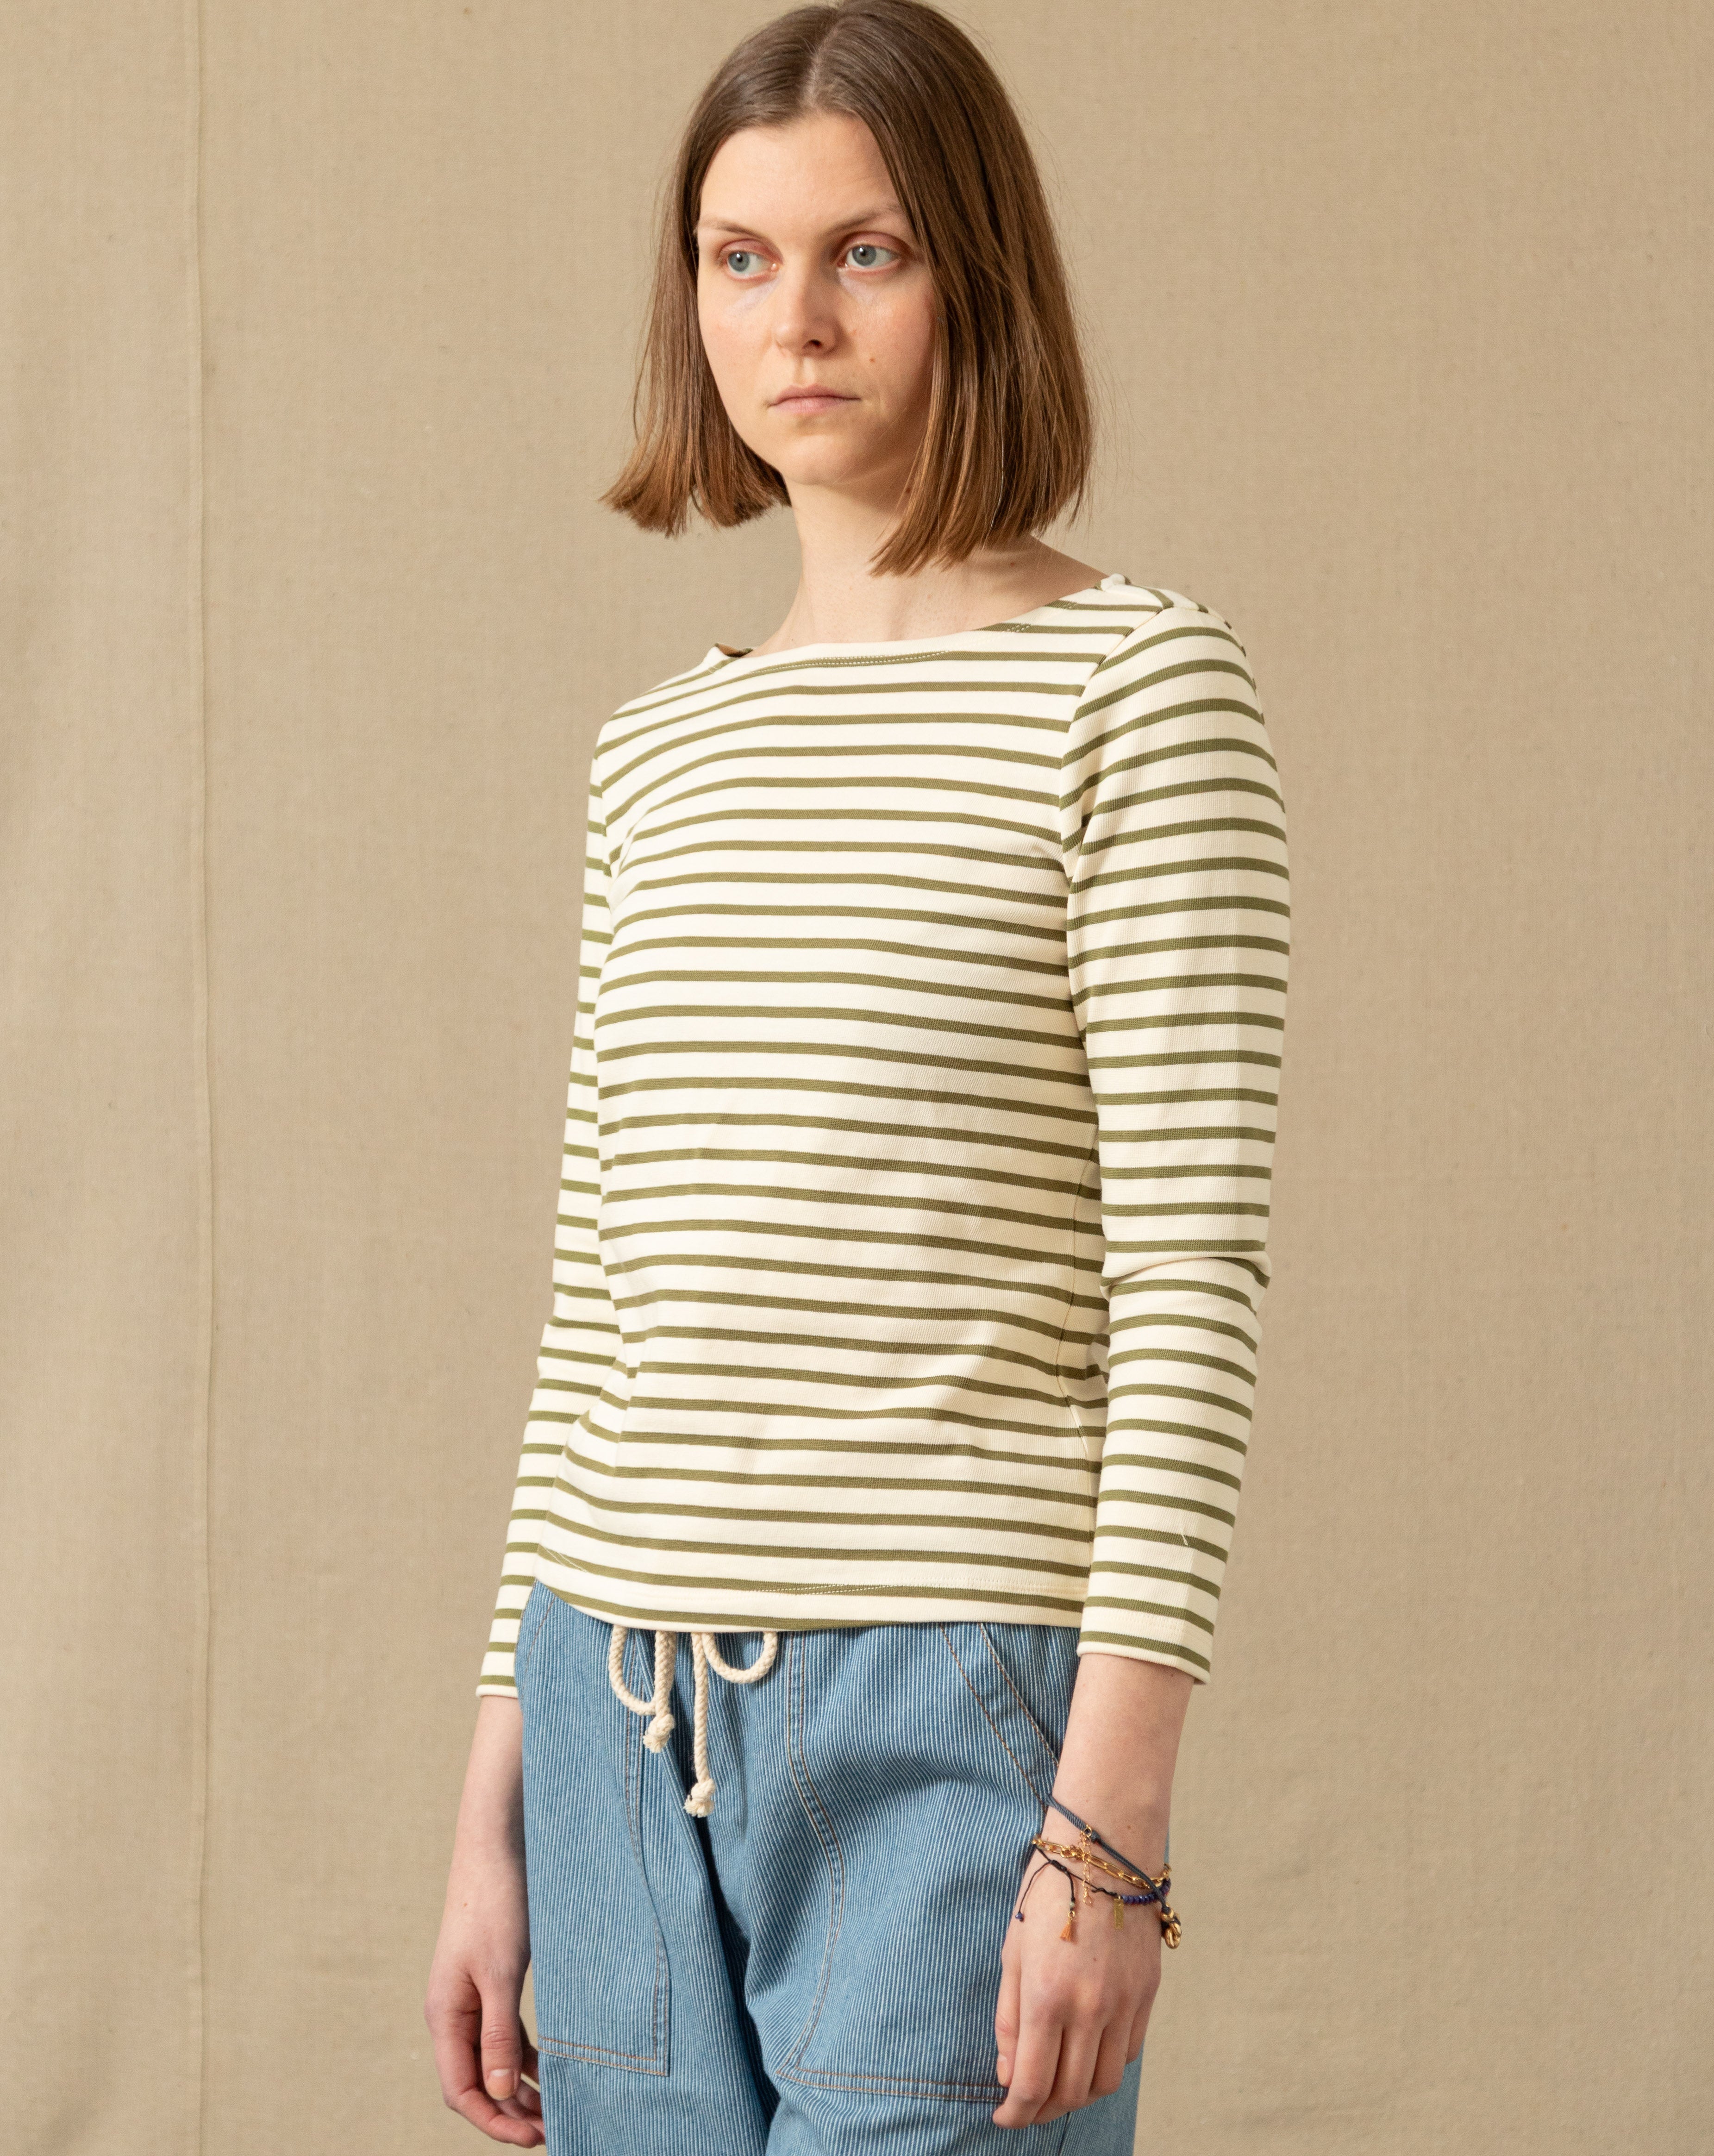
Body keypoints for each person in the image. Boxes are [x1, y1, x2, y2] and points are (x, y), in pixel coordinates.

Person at [425, 3, 1290, 2150]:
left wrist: (1106, 1830)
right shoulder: (657, 756)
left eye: (863, 253)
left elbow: (1186, 1294)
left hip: (942, 1710)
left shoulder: (1135, 690)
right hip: (608, 1702)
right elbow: (598, 1306)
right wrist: (493, 1807)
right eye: (738, 259)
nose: (791, 320)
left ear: (972, 276)